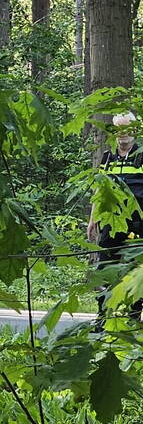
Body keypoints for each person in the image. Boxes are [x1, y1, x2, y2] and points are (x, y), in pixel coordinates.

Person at [88, 112, 143, 318]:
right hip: (112, 220)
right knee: (105, 267)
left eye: (127, 129)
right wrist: (92, 219)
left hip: (138, 222)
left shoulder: (141, 154)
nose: (123, 134)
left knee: (137, 269)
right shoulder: (107, 156)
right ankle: (102, 317)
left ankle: (134, 316)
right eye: (119, 130)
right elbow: (100, 190)